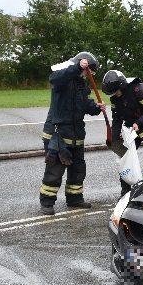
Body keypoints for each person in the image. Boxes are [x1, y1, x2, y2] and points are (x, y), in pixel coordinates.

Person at [39, 52, 106, 215]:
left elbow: (83, 105)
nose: (88, 74)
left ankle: (74, 199)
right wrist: (76, 68)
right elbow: (54, 79)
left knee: (78, 170)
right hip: (58, 135)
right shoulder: (64, 78)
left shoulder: (81, 85)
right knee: (55, 171)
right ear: (83, 66)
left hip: (76, 136)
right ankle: (47, 203)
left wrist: (96, 108)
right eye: (88, 70)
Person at [102, 69, 143, 195]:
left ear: (121, 86)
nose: (114, 95)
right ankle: (126, 192)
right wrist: (114, 138)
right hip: (132, 130)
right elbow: (116, 119)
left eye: (115, 92)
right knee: (125, 158)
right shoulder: (114, 98)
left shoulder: (139, 89)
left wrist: (138, 123)